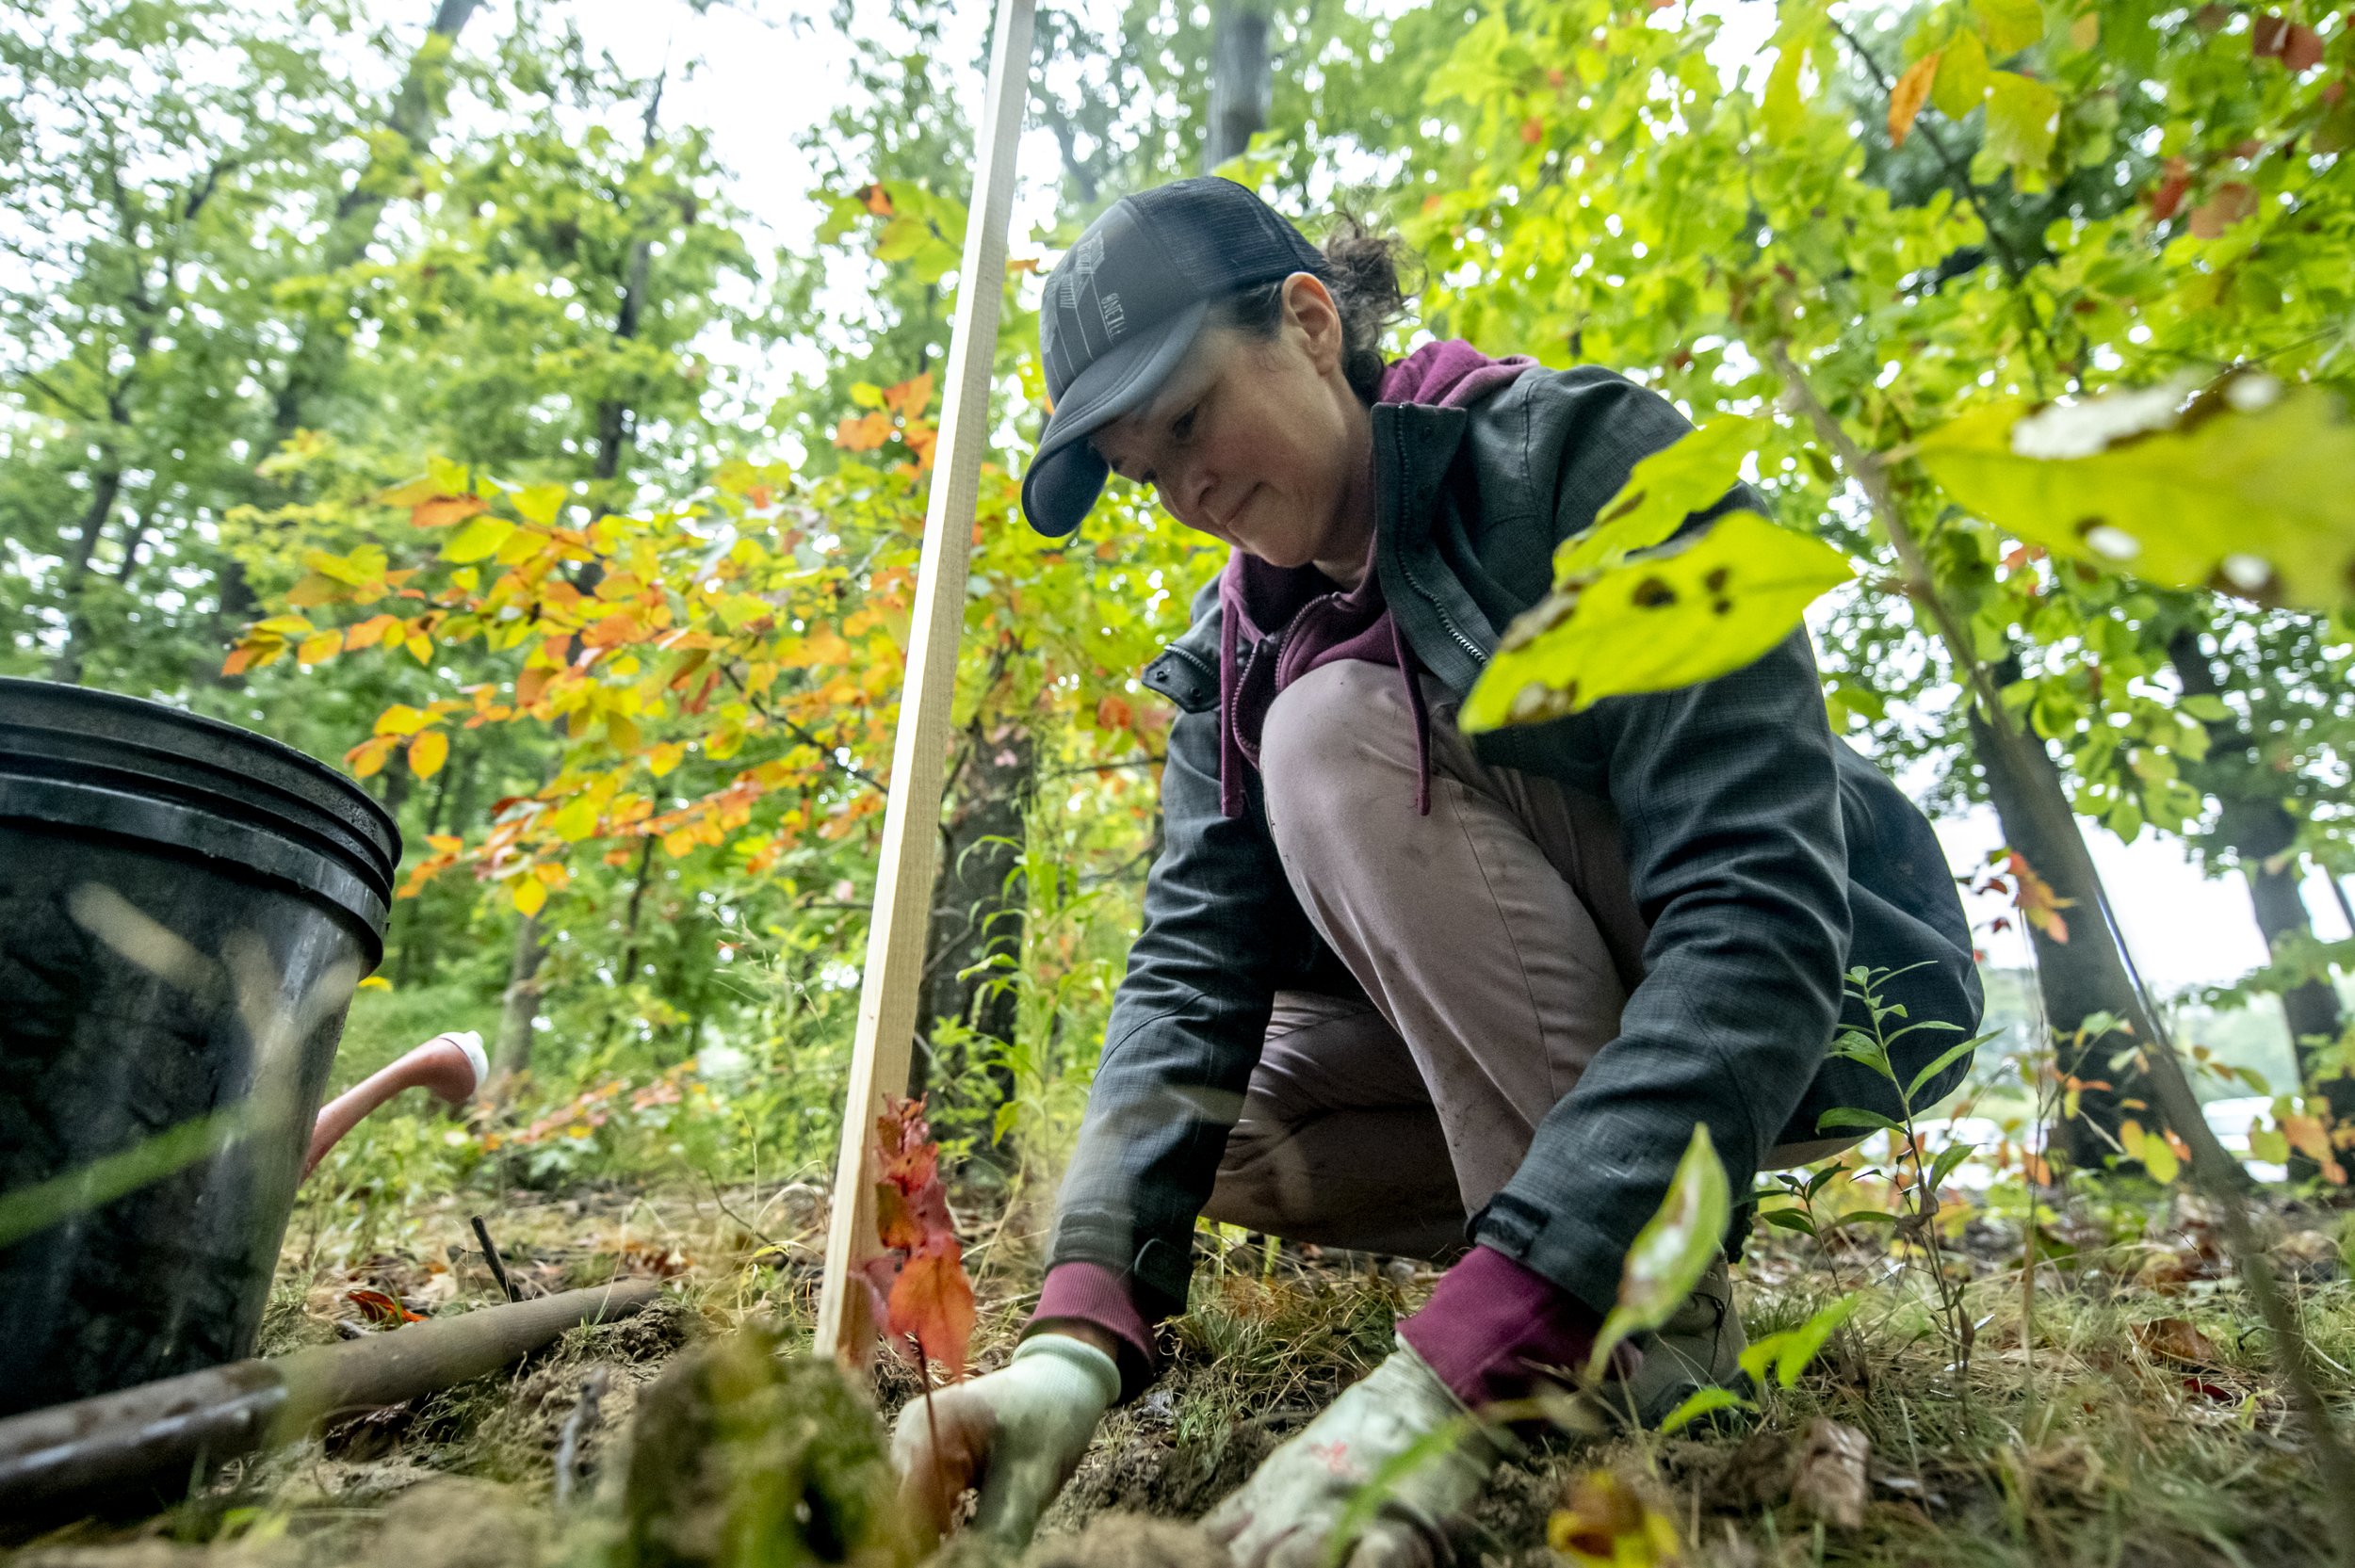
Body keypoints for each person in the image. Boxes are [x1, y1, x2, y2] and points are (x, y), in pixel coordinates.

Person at [893, 176, 1981, 1565]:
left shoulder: (1588, 459)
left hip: (1803, 1005)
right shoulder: (1231, 647)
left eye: (1185, 418)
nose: (1181, 489)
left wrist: (1441, 1377)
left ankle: (1624, 1319)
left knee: (1332, 731)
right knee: (1201, 1128)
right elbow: (1184, 975)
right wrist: (1071, 1344)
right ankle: (1554, 1263)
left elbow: (1757, 915)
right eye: (1139, 468)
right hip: (1524, 1016)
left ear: (1306, 321)